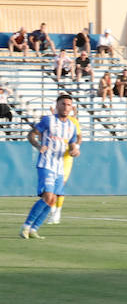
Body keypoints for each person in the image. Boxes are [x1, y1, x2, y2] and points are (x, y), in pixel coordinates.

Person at [21, 94, 80, 239]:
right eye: (63, 104)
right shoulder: (48, 120)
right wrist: (38, 146)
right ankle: (26, 226)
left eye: (69, 105)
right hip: (46, 164)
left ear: (72, 108)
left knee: (53, 199)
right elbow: (31, 135)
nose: (66, 107)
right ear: (57, 105)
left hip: (60, 166)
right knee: (47, 196)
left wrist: (74, 150)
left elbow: (73, 144)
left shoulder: (71, 126)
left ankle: (34, 229)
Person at [49, 106, 82, 224]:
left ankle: (57, 212)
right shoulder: (51, 120)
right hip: (52, 156)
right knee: (49, 187)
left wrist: (76, 147)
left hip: (66, 156)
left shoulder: (73, 121)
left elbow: (79, 137)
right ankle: (52, 211)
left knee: (60, 184)